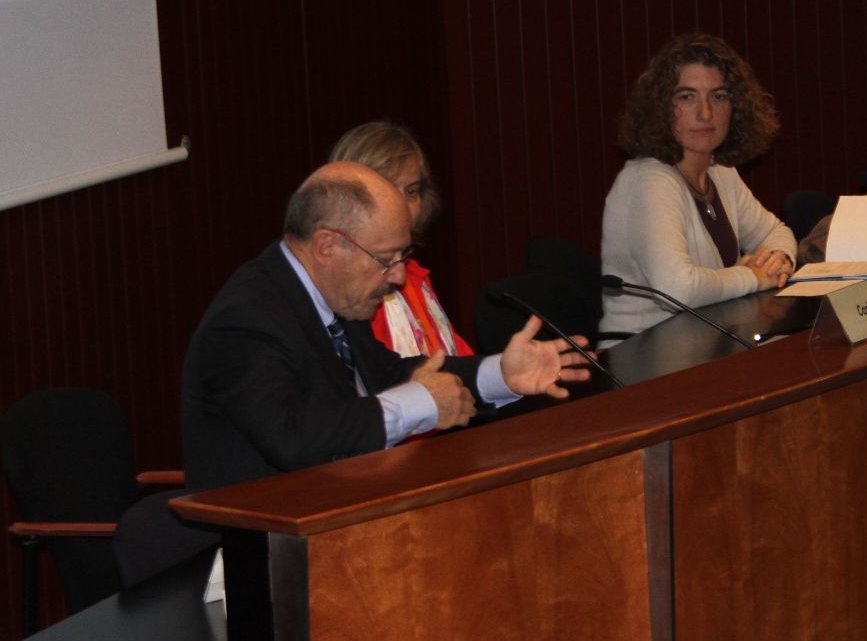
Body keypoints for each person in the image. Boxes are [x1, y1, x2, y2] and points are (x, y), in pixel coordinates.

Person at [181, 161, 590, 491]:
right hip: (261, 548)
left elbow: (391, 374)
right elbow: (294, 438)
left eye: (403, 256)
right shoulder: (245, 320)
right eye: (386, 259)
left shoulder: (337, 293)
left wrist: (500, 374)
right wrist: (419, 403)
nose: (398, 276)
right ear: (327, 246)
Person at [600, 33, 796, 337]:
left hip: (711, 341)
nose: (705, 113)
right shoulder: (649, 182)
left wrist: (778, 259)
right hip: (643, 352)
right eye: (686, 97)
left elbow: (775, 233)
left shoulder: (720, 170)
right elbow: (678, 290)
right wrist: (753, 277)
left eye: (718, 97)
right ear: (661, 107)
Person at [329, 121, 473, 358]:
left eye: (411, 191)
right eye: (387, 188)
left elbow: (456, 358)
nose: (402, 206)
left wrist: (502, 369)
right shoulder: (347, 288)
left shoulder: (413, 275)